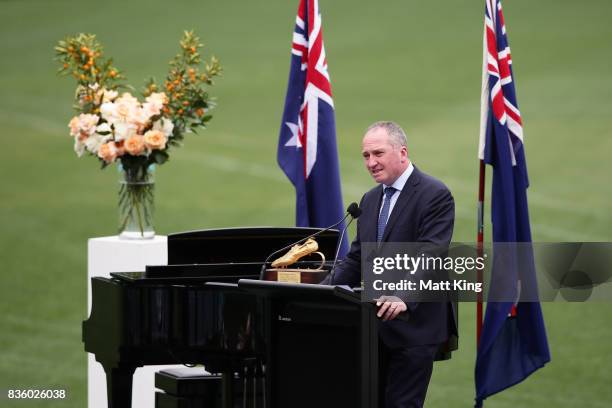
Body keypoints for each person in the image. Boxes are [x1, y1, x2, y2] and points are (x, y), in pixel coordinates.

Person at [328, 121, 456, 408]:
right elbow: (357, 257)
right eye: (365, 156)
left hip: (414, 327)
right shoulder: (371, 200)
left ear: (402, 152)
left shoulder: (435, 194)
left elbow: (431, 255)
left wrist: (403, 297)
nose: (371, 163)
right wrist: (322, 290)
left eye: (378, 153)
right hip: (373, 328)